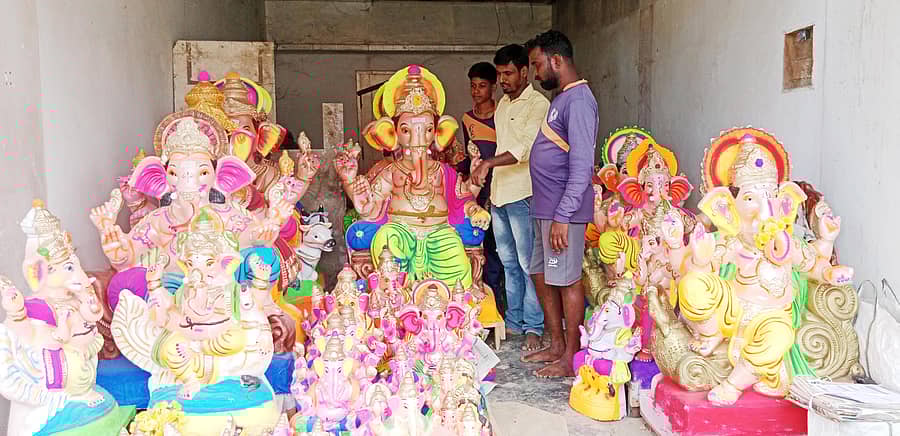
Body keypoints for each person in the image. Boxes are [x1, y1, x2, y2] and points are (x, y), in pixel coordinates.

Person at [523, 30, 599, 378]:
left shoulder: (580, 101)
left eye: (538, 64)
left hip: (561, 212)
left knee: (567, 280)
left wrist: (563, 215)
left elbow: (582, 165)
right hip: (545, 208)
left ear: (557, 60)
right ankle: (556, 343)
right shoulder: (562, 100)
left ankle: (571, 357)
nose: (535, 73)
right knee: (540, 272)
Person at [471, 44, 550, 353]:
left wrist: (488, 163)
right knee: (507, 264)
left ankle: (534, 327)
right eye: (500, 74)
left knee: (529, 264)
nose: (502, 80)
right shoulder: (503, 104)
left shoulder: (538, 104)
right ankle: (514, 324)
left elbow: (524, 150)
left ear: (523, 72)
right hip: (501, 195)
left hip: (523, 194)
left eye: (507, 74)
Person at [456, 62, 505, 305]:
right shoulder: (467, 119)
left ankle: (499, 299)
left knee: (500, 246)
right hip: (479, 189)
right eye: (473, 86)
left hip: (503, 187)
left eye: (482, 86)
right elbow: (469, 155)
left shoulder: (503, 116)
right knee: (481, 244)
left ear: (493, 87)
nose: (476, 91)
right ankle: (485, 299)